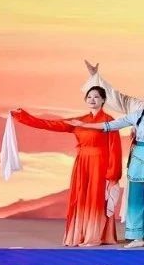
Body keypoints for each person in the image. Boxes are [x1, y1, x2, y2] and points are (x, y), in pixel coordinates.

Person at [70, 73, 144, 248]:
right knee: (135, 200)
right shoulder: (139, 112)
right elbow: (111, 125)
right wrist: (85, 125)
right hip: (137, 160)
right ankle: (137, 237)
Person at [10, 86, 121, 247]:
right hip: (82, 163)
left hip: (100, 164)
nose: (92, 99)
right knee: (81, 198)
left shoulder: (109, 121)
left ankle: (95, 236)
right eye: (89, 97)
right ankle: (79, 235)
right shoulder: (79, 121)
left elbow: (115, 148)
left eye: (96, 97)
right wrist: (23, 117)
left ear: (103, 100)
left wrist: (113, 174)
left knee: (96, 198)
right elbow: (50, 124)